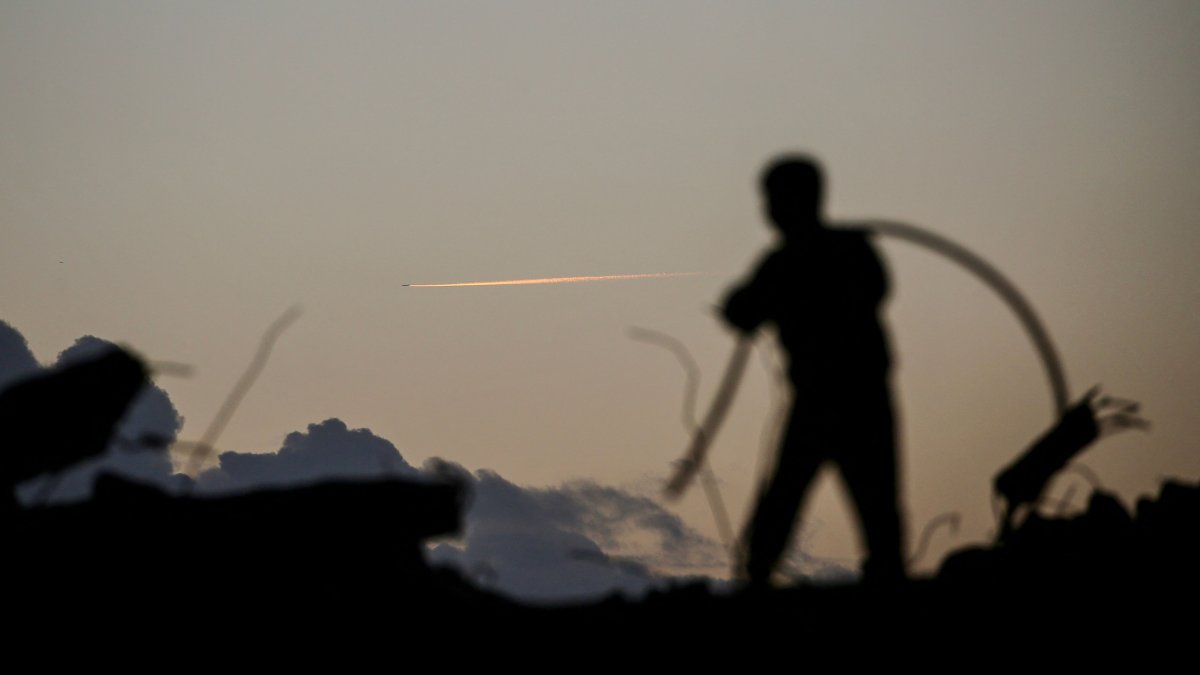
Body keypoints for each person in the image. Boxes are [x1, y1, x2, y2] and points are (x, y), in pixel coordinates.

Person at [723, 155, 905, 585]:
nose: (768, 209)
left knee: (854, 503)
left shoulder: (797, 261)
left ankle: (758, 579)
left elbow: (742, 311)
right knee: (811, 500)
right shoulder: (820, 255)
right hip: (847, 401)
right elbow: (742, 310)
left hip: (839, 402)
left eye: (773, 199)